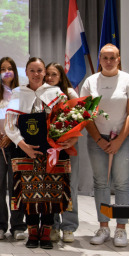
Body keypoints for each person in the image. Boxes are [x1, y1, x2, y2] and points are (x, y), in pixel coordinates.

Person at [5, 57, 76, 249]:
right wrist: (24, 145)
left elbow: (66, 122)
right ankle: (32, 233)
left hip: (52, 152)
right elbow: (9, 124)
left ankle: (46, 232)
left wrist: (64, 139)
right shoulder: (18, 93)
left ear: (45, 73)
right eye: (32, 70)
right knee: (28, 193)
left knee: (50, 193)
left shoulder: (56, 93)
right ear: (26, 72)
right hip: (25, 151)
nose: (36, 74)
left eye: (40, 71)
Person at [81, 44, 129, 247]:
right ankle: (103, 226)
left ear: (118, 59)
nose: (108, 61)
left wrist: (119, 140)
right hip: (97, 138)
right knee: (100, 183)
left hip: (124, 139)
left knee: (123, 183)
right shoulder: (90, 82)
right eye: (104, 58)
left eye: (112, 58)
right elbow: (86, 114)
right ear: (99, 59)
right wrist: (99, 139)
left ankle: (121, 229)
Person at [0, 57, 24, 241]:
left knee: (16, 187)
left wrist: (11, 135)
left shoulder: (21, 92)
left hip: (16, 145)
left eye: (10, 68)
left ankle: (17, 225)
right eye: (3, 68)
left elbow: (24, 119)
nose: (6, 71)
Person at [45, 62, 80, 244]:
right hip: (49, 148)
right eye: (47, 75)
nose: (50, 78)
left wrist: (72, 139)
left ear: (61, 77)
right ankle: (53, 225)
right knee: (51, 188)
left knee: (69, 187)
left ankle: (68, 226)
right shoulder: (41, 94)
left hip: (68, 146)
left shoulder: (69, 94)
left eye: (54, 75)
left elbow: (81, 120)